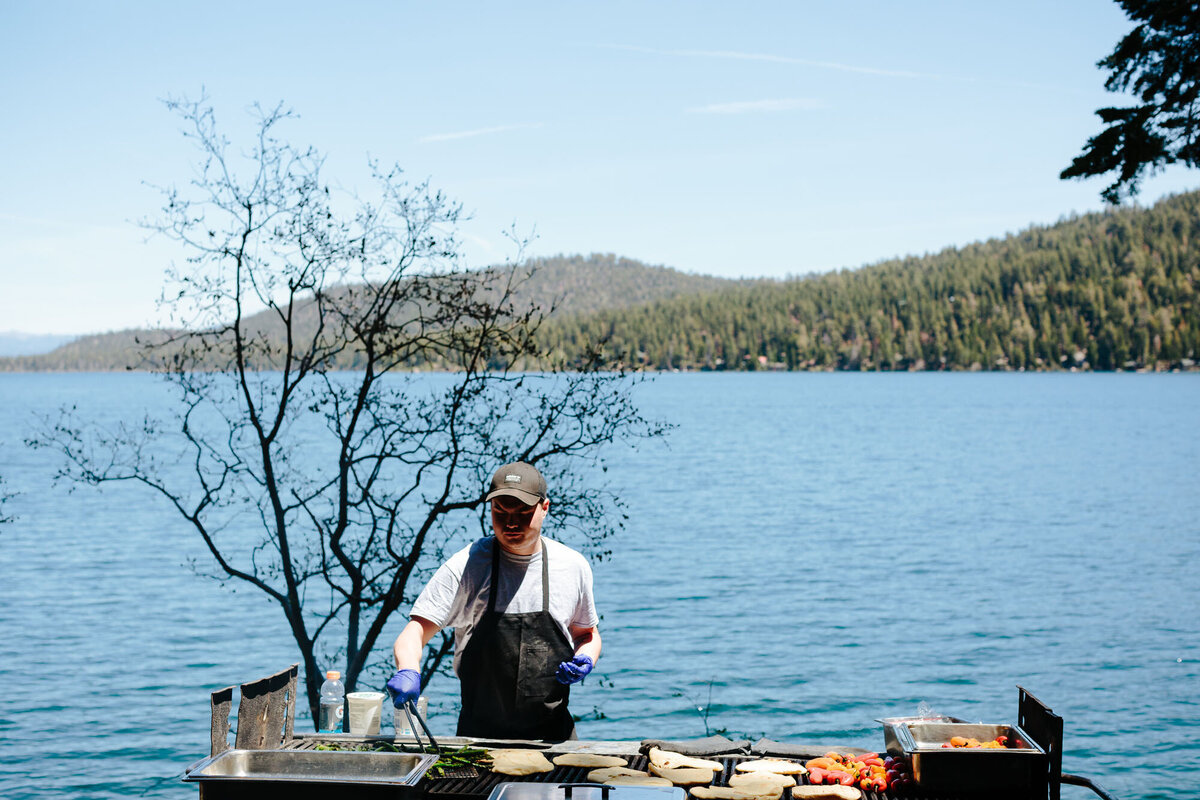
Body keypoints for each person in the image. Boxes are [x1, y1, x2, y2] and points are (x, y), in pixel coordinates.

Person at [387, 461, 602, 740]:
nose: (511, 523)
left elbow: (587, 634)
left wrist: (585, 657)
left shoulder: (572, 566)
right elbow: (413, 634)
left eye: (523, 512)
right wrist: (408, 671)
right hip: (479, 739)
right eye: (500, 512)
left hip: (554, 739)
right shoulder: (468, 566)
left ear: (544, 508)